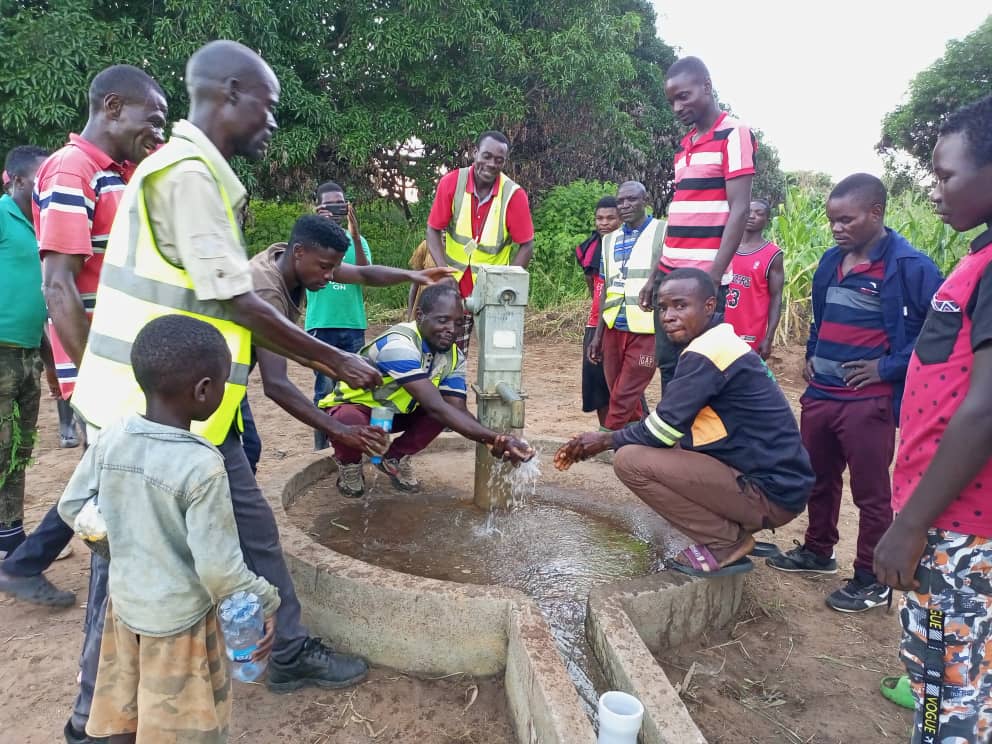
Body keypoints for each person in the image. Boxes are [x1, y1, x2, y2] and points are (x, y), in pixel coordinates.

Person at [67, 40, 380, 742]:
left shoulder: (197, 175)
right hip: (144, 421)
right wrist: (339, 359)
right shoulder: (185, 176)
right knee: (125, 574)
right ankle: (92, 721)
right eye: (266, 106)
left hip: (201, 416)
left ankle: (289, 651)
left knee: (255, 535)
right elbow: (236, 301)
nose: (272, 122)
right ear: (230, 93)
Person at [58, 315, 280, 743]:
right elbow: (220, 572)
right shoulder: (202, 464)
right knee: (181, 728)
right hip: (181, 626)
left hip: (124, 611)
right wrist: (268, 600)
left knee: (126, 709)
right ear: (203, 390)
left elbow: (73, 507)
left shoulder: (114, 434)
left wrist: (117, 547)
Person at [0, 65, 168, 621]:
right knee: (115, 492)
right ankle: (102, 657)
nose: (158, 131)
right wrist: (103, 376)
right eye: (153, 119)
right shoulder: (72, 170)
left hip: (125, 358)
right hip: (104, 365)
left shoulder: (119, 172)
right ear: (113, 106)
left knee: (101, 473)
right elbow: (58, 283)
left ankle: (25, 562)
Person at [555, 268, 813, 576]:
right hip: (777, 484)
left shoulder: (707, 353)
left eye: (681, 305)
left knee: (630, 461)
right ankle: (729, 525)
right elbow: (671, 425)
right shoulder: (719, 342)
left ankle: (725, 541)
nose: (668, 316)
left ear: (709, 306)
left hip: (768, 493)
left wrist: (605, 440)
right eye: (663, 308)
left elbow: (661, 430)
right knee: (664, 449)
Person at [766, 174, 942, 613]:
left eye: (847, 220)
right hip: (821, 394)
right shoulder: (831, 262)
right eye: (832, 221)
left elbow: (936, 333)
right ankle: (817, 551)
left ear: (876, 213)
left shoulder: (910, 267)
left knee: (870, 492)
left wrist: (885, 368)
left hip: (868, 402)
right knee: (817, 479)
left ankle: (870, 577)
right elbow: (819, 318)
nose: (837, 228)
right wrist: (810, 353)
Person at [873, 95, 992, 744]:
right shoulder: (979, 261)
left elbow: (986, 405)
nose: (936, 188)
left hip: (957, 535)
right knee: (936, 680)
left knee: (948, 700)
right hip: (948, 529)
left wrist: (912, 523)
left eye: (947, 175)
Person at [247, 214, 453, 465]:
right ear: (299, 252)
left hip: (224, 378)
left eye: (334, 268)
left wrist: (414, 276)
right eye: (325, 268)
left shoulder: (288, 257)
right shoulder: (268, 292)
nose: (330, 276)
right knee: (246, 450)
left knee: (246, 449)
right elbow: (276, 383)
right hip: (216, 380)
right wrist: (340, 430)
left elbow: (364, 275)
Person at [319, 284, 533, 496]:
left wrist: (495, 440)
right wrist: (496, 438)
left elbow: (456, 410)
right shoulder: (399, 344)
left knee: (447, 415)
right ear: (420, 315)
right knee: (347, 418)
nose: (452, 329)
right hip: (359, 408)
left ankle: (395, 457)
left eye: (459, 323)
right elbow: (434, 405)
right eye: (443, 320)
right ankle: (350, 465)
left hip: (395, 414)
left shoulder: (454, 356)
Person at [639, 57, 757, 391]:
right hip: (670, 274)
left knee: (701, 367)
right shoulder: (685, 146)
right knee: (669, 364)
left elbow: (739, 209)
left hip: (704, 276)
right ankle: (670, 440)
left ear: (706, 86)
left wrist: (714, 276)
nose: (677, 107)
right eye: (672, 100)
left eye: (684, 96)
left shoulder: (734, 134)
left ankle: (699, 444)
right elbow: (680, 216)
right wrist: (655, 276)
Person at [425, 130, 535, 353]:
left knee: (498, 355)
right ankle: (446, 388)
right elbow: (433, 230)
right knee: (449, 353)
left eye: (499, 160)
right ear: (474, 153)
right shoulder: (451, 183)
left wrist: (506, 283)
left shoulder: (513, 195)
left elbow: (527, 244)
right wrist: (443, 273)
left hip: (492, 291)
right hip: (453, 288)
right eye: (486, 156)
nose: (491, 164)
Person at [0, 146, 58, 558]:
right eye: (40, 180)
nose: (47, 188)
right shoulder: (2, 216)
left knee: (19, 446)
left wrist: (50, 362)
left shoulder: (40, 224)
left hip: (27, 355)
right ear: (17, 181)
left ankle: (10, 534)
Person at [588, 182, 664, 430]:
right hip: (612, 327)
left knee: (625, 393)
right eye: (621, 201)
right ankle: (636, 445)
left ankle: (604, 437)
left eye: (631, 200)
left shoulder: (663, 232)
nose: (625, 205)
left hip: (647, 329)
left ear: (646, 199)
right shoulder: (609, 241)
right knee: (618, 391)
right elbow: (606, 291)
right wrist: (597, 336)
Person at [306, 181, 372, 450]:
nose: (335, 210)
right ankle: (321, 449)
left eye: (340, 204)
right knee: (324, 390)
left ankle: (349, 447)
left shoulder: (358, 240)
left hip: (353, 325)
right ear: (318, 207)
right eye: (329, 205)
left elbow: (366, 272)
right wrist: (316, 228)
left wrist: (354, 236)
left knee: (355, 390)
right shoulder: (308, 240)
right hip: (321, 325)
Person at [575, 195, 620, 427]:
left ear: (621, 219)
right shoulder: (590, 248)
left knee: (623, 386)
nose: (604, 223)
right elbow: (592, 286)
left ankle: (629, 438)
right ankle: (605, 434)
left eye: (610, 218)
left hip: (621, 324)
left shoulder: (629, 247)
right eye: (599, 218)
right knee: (596, 386)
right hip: (594, 325)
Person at [724, 198, 784, 358]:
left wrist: (769, 338)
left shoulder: (773, 254)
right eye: (748, 212)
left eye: (759, 213)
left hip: (749, 333)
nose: (752, 216)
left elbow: (776, 298)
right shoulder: (724, 247)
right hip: (719, 327)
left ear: (767, 220)